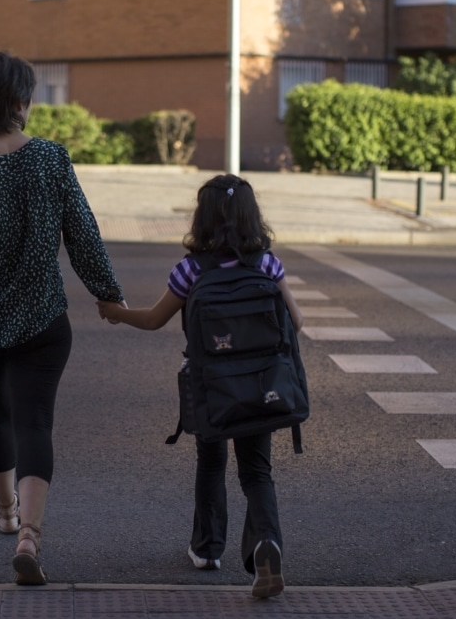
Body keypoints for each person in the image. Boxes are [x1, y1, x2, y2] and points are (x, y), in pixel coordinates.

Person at [0, 51, 125, 585]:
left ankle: (5, 513)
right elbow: (82, 231)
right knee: (35, 421)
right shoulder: (50, 158)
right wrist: (108, 295)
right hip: (43, 321)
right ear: (22, 101)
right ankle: (29, 535)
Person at [97, 174, 303, 599]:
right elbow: (295, 322)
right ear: (251, 215)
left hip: (211, 388)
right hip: (262, 384)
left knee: (211, 463)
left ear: (203, 217)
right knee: (257, 471)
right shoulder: (266, 264)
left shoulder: (190, 270)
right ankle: (267, 543)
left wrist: (118, 311)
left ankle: (207, 549)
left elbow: (155, 319)